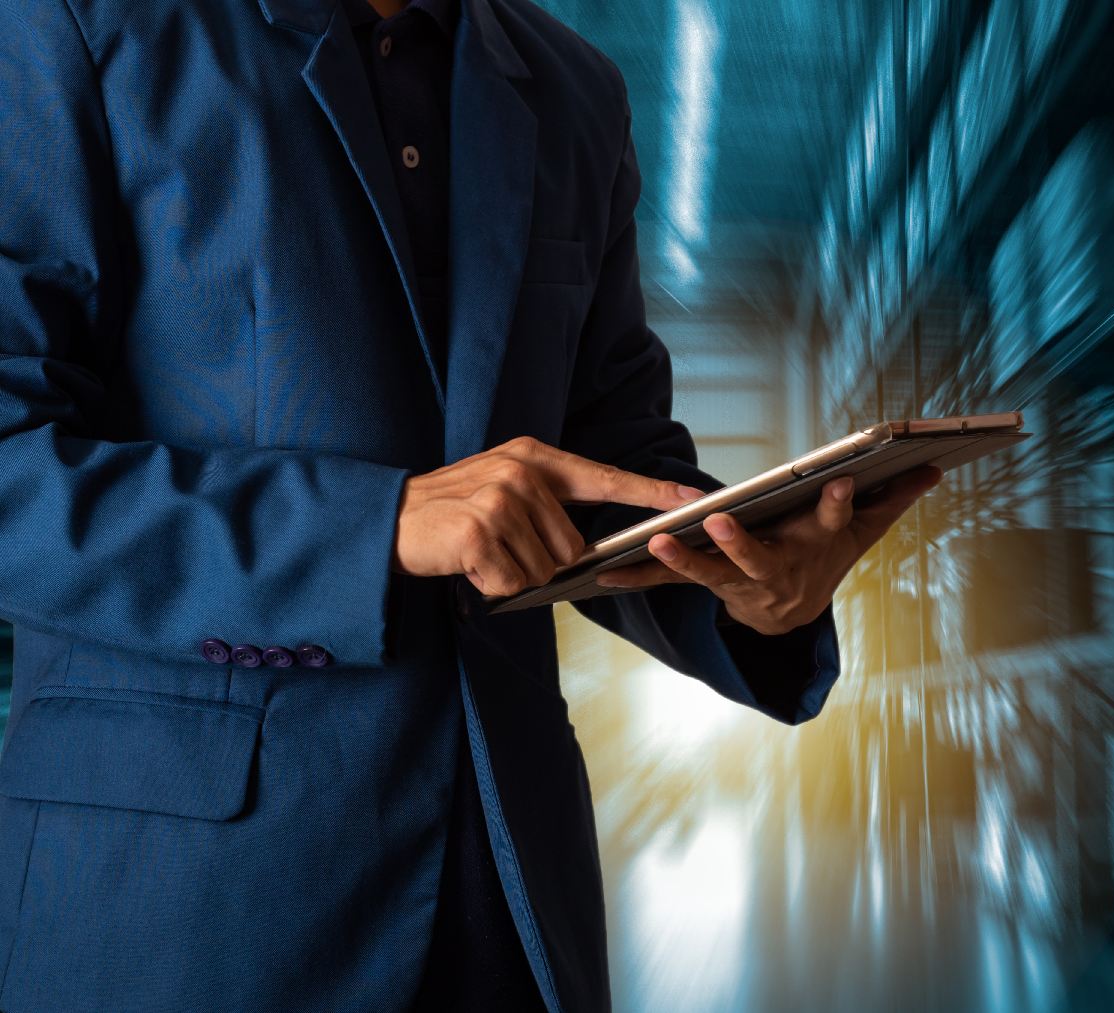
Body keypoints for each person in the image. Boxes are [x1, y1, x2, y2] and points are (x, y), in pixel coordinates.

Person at [0, 0, 937, 1009]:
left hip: (504, 900)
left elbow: (604, 459)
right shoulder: (73, 24)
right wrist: (370, 528)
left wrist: (747, 588)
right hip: (188, 907)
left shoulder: (573, 89)